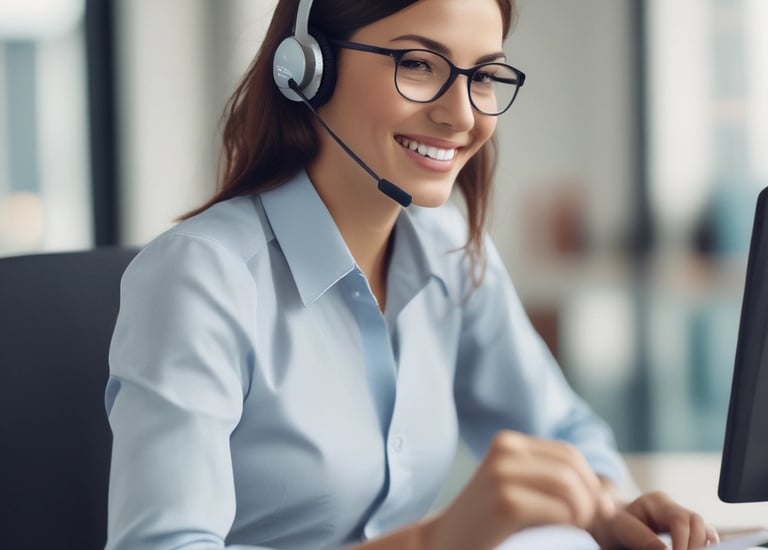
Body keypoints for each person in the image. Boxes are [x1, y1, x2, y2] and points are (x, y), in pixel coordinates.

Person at [105, 1, 720, 549]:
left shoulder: (449, 249)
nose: (461, 115)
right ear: (308, 68)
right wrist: (434, 541)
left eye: (483, 76)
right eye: (419, 64)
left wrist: (608, 508)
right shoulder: (200, 278)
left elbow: (561, 430)